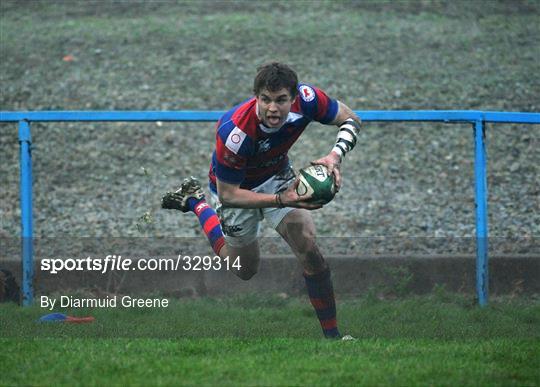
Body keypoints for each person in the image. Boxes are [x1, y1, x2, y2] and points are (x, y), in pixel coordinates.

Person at [162, 62, 360, 339]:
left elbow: (351, 119)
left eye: (281, 100)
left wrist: (335, 156)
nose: (272, 108)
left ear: (293, 97)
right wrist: (281, 199)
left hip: (277, 174)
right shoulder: (235, 133)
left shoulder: (308, 100)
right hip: (237, 191)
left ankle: (333, 339)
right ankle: (197, 202)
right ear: (256, 96)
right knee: (244, 269)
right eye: (265, 99)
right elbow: (230, 194)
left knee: (308, 247)